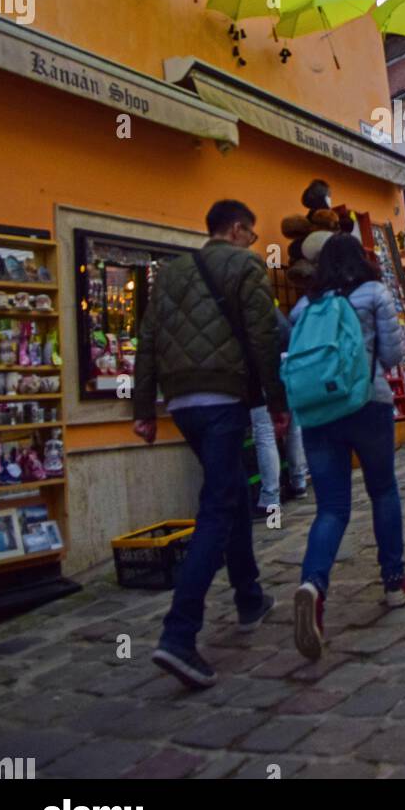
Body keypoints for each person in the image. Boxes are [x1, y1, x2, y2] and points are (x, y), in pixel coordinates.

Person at [133, 199, 284, 689]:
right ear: (238, 229)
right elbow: (263, 337)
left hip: (181, 404)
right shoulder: (245, 265)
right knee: (218, 506)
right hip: (222, 397)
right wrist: (276, 401)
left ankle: (249, 597)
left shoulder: (172, 273)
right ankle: (178, 635)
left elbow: (147, 337)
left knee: (233, 490)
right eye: (252, 234)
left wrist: (142, 410)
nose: (253, 243)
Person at [288, 234, 405, 661]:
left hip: (318, 414)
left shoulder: (304, 307)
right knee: (382, 490)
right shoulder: (374, 293)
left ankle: (313, 585)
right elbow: (394, 356)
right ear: (360, 259)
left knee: (330, 508)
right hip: (367, 404)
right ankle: (394, 581)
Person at [251, 309, 307, 519]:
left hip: (264, 377)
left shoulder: (251, 314)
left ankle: (270, 498)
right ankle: (299, 481)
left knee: (264, 433)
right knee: (294, 428)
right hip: (289, 370)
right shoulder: (277, 315)